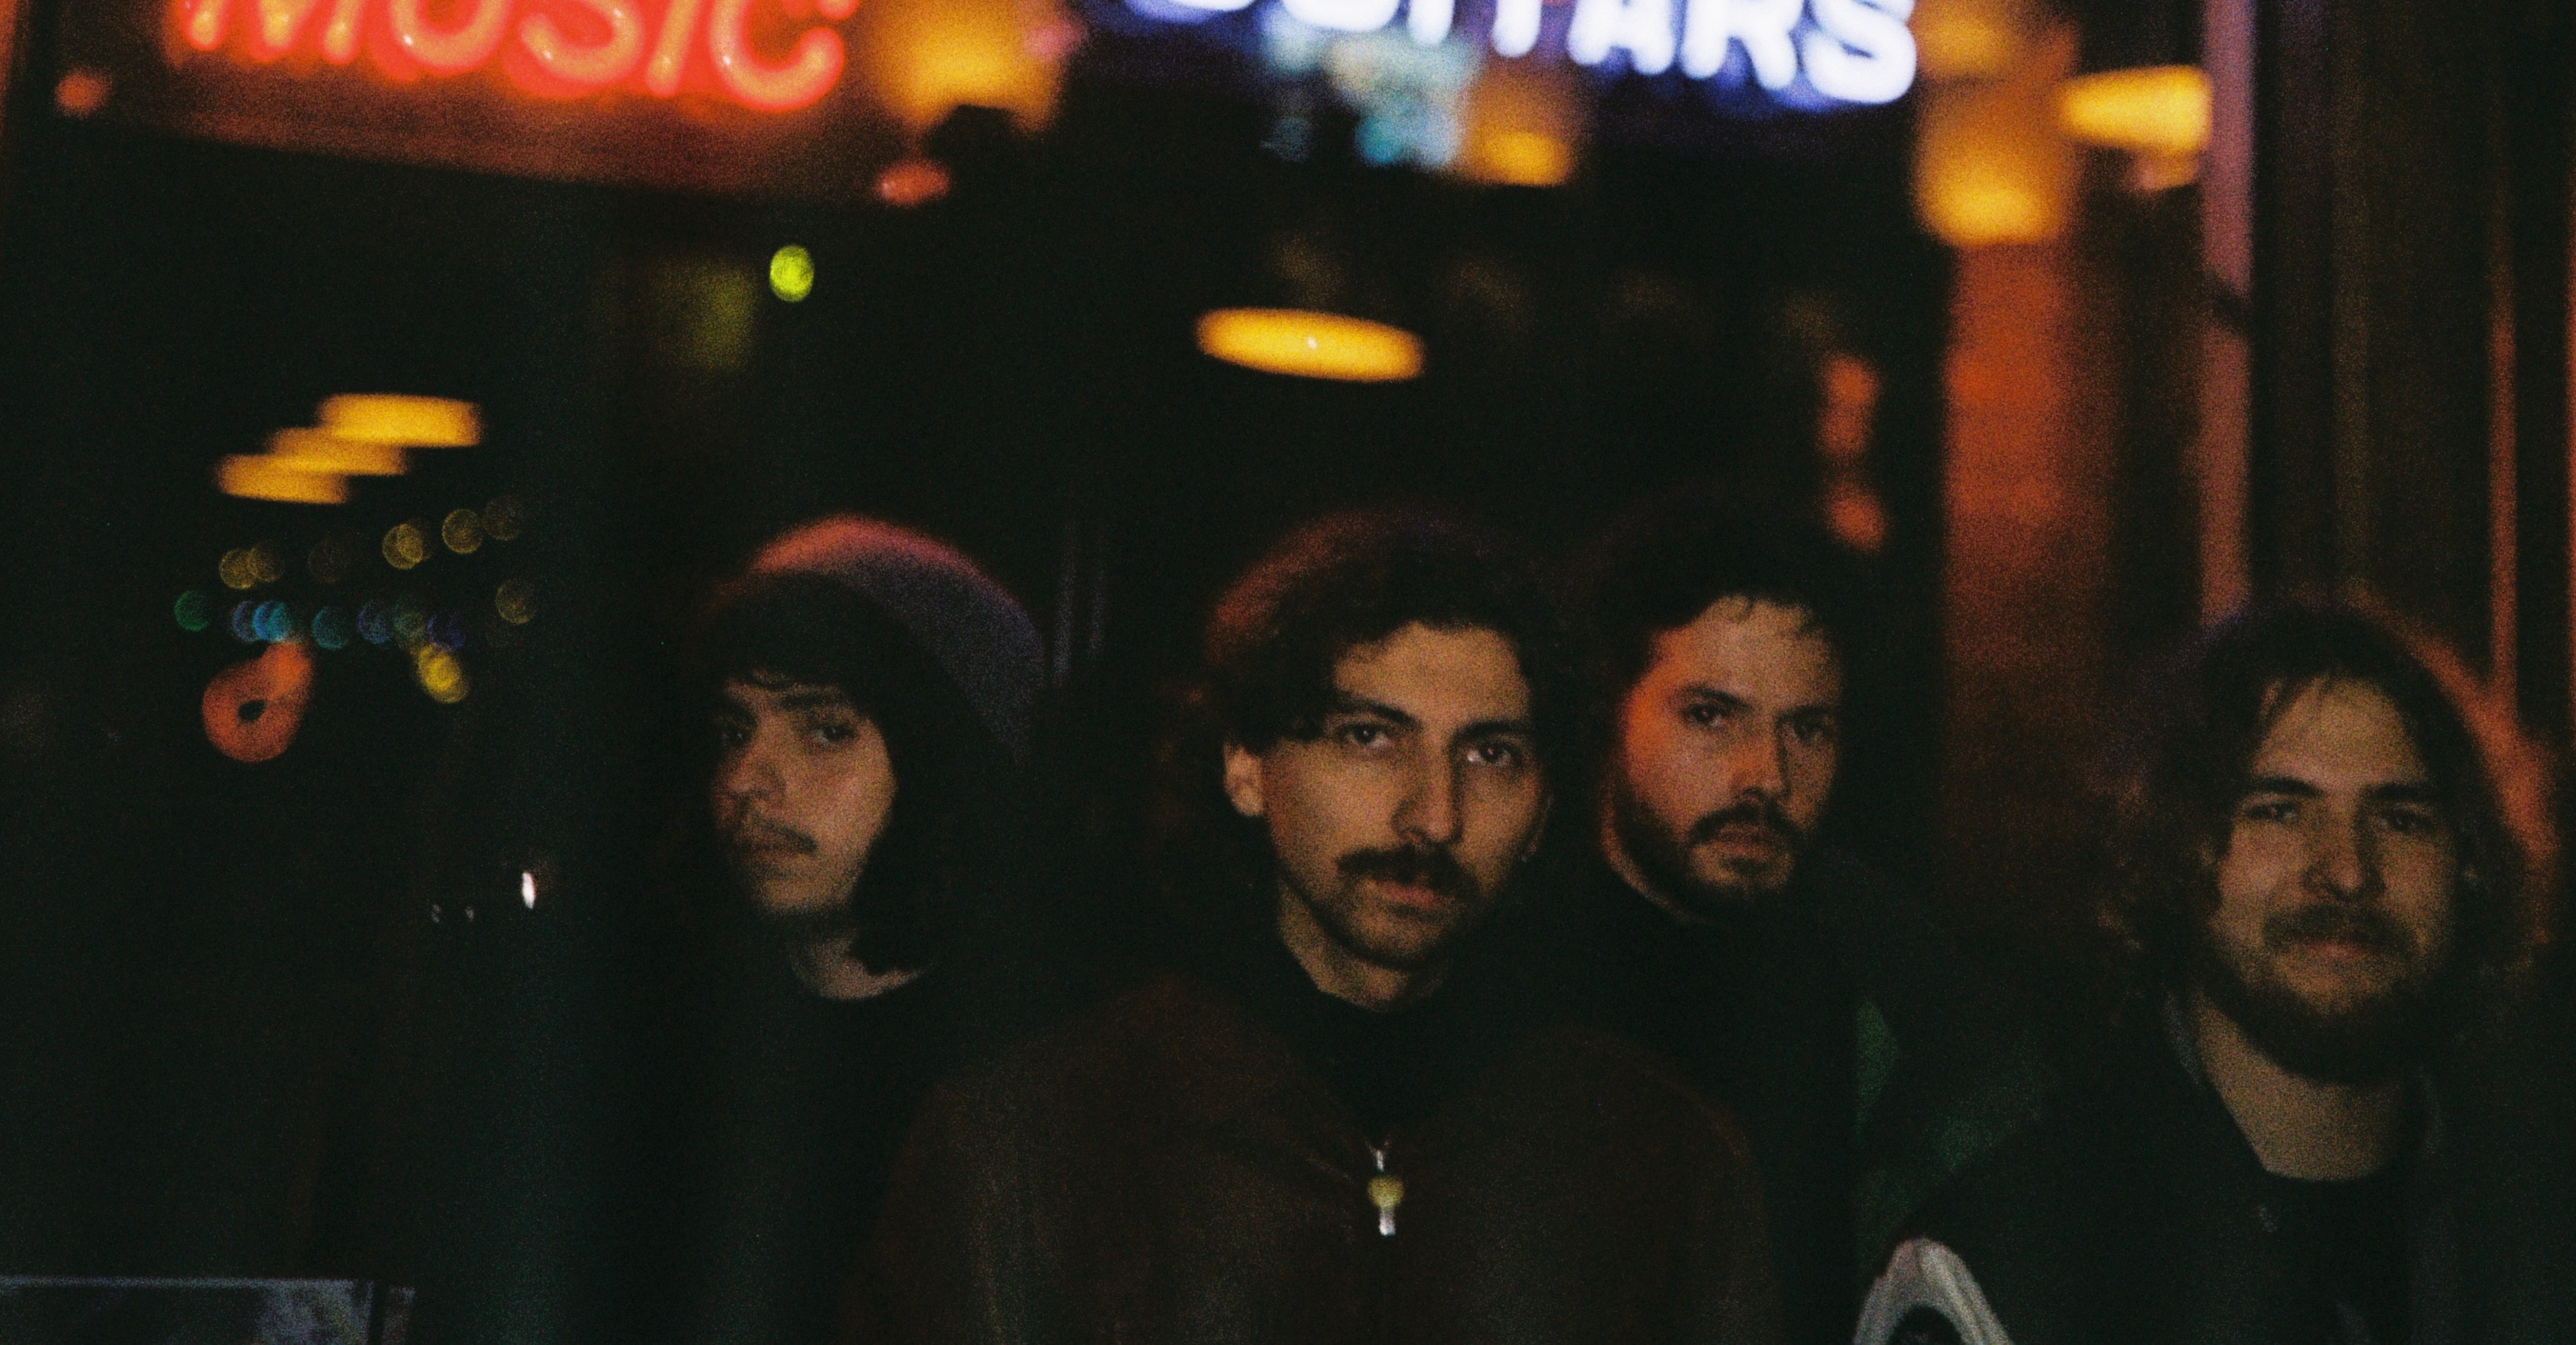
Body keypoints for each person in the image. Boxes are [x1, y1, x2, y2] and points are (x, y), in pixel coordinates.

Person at [841, 509, 1780, 1345]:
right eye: (1369, 736)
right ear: (1246, 765)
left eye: (1490, 753)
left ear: (1543, 811)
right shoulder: (1023, 1148)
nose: (1434, 814)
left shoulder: (1663, 1156)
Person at [1856, 596, 2576, 1345]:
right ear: (2171, 846)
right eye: (2280, 811)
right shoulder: (2007, 1264)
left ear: (2470, 867)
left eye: (2401, 817)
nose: (2347, 870)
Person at [1533, 488, 2043, 1344]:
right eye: (1710, 715)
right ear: (1608, 711)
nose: (1765, 773)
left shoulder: (1894, 976)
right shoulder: (1497, 952)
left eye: (1807, 728)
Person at [641, 517, 1049, 1345]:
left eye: (825, 728)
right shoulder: (659, 1046)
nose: (747, 777)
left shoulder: (1044, 1080)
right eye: (732, 731)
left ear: (944, 762)